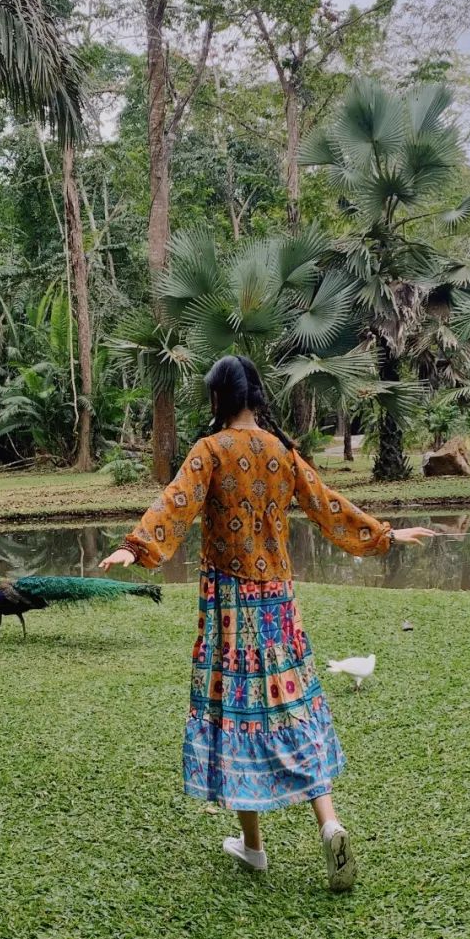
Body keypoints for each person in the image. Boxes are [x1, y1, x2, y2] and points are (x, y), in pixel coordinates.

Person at [100, 355, 437, 892]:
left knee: (237, 712)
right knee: (291, 702)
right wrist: (386, 535)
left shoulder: (210, 451)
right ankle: (329, 823)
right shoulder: (283, 452)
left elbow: (175, 505)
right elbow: (329, 506)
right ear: (256, 396)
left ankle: (253, 848)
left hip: (230, 607)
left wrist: (134, 548)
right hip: (279, 604)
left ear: (217, 400)